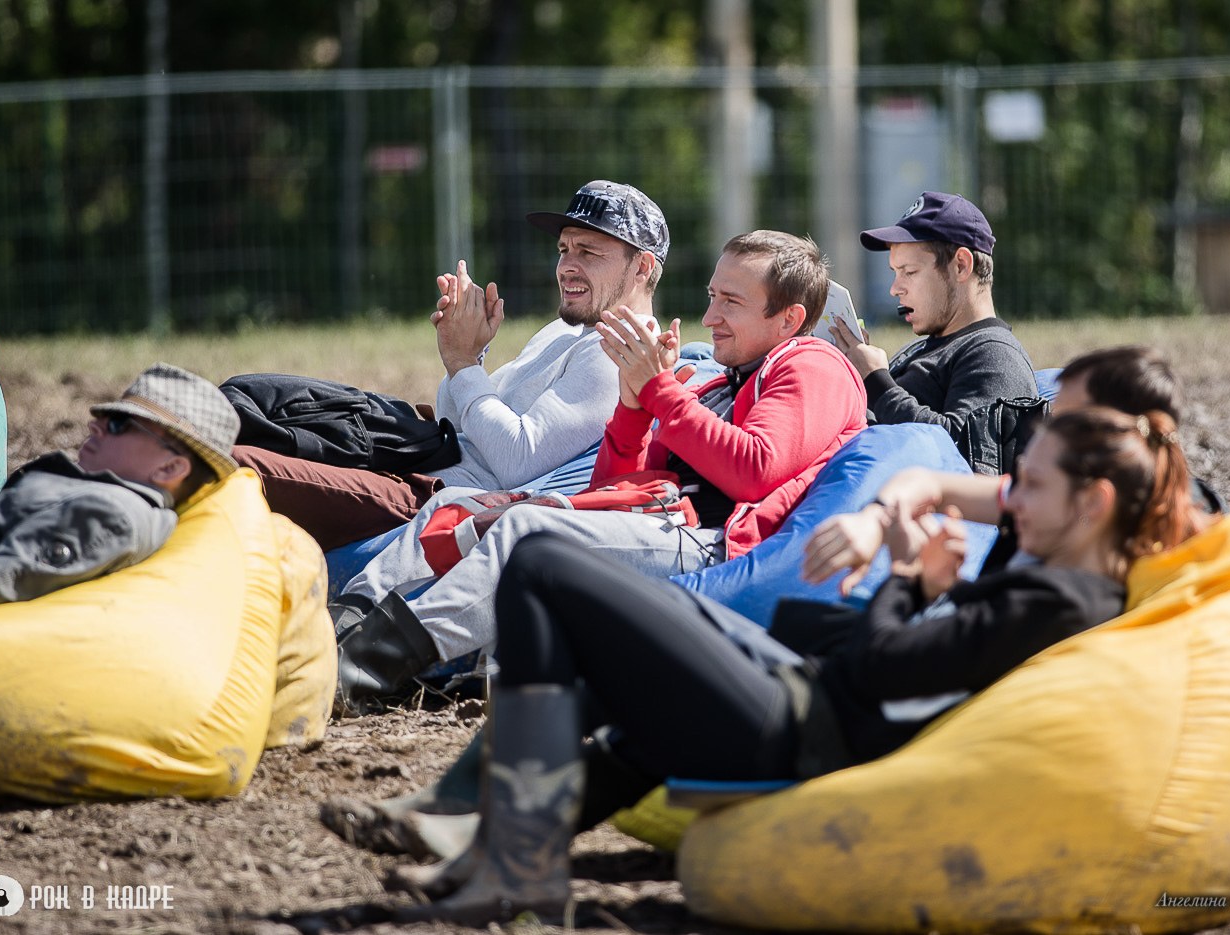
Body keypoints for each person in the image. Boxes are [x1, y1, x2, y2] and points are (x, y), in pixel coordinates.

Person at [327, 404, 1201, 924]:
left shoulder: (1060, 602)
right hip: (804, 705)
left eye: (1032, 489)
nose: (1010, 504)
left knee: (543, 563)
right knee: (624, 652)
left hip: (802, 733)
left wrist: (906, 576)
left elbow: (888, 668)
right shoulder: (1064, 572)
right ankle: (491, 839)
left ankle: (511, 858)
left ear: (1094, 504)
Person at [326, 230, 868, 715]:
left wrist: (660, 391)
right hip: (661, 524)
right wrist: (633, 409)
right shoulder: (723, 381)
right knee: (457, 506)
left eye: (732, 301)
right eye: (711, 296)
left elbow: (754, 470)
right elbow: (614, 488)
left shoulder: (810, 365)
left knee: (527, 533)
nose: (710, 318)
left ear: (789, 318)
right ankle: (341, 623)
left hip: (713, 542)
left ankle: (369, 663)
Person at [233, 179, 669, 550]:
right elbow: (454, 419)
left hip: (437, 498)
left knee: (237, 464)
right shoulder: (567, 332)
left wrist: (464, 364)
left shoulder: (619, 353)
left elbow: (517, 460)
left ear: (641, 266)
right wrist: (469, 354)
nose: (566, 267)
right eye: (563, 249)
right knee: (256, 398)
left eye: (588, 253)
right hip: (418, 461)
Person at [803, 344, 1223, 588]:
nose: (1049, 428)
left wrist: (909, 580)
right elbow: (930, 483)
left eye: (1066, 418)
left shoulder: (1072, 582)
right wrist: (875, 520)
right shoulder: (1062, 494)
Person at [0, 362, 239, 607]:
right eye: (103, 417)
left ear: (170, 467)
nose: (95, 426)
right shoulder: (108, 500)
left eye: (118, 423)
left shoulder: (111, 514)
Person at [828, 191, 1037, 444]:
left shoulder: (995, 354)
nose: (895, 289)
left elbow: (967, 453)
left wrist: (876, 382)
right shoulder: (929, 346)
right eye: (895, 272)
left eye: (910, 272)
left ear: (961, 265)